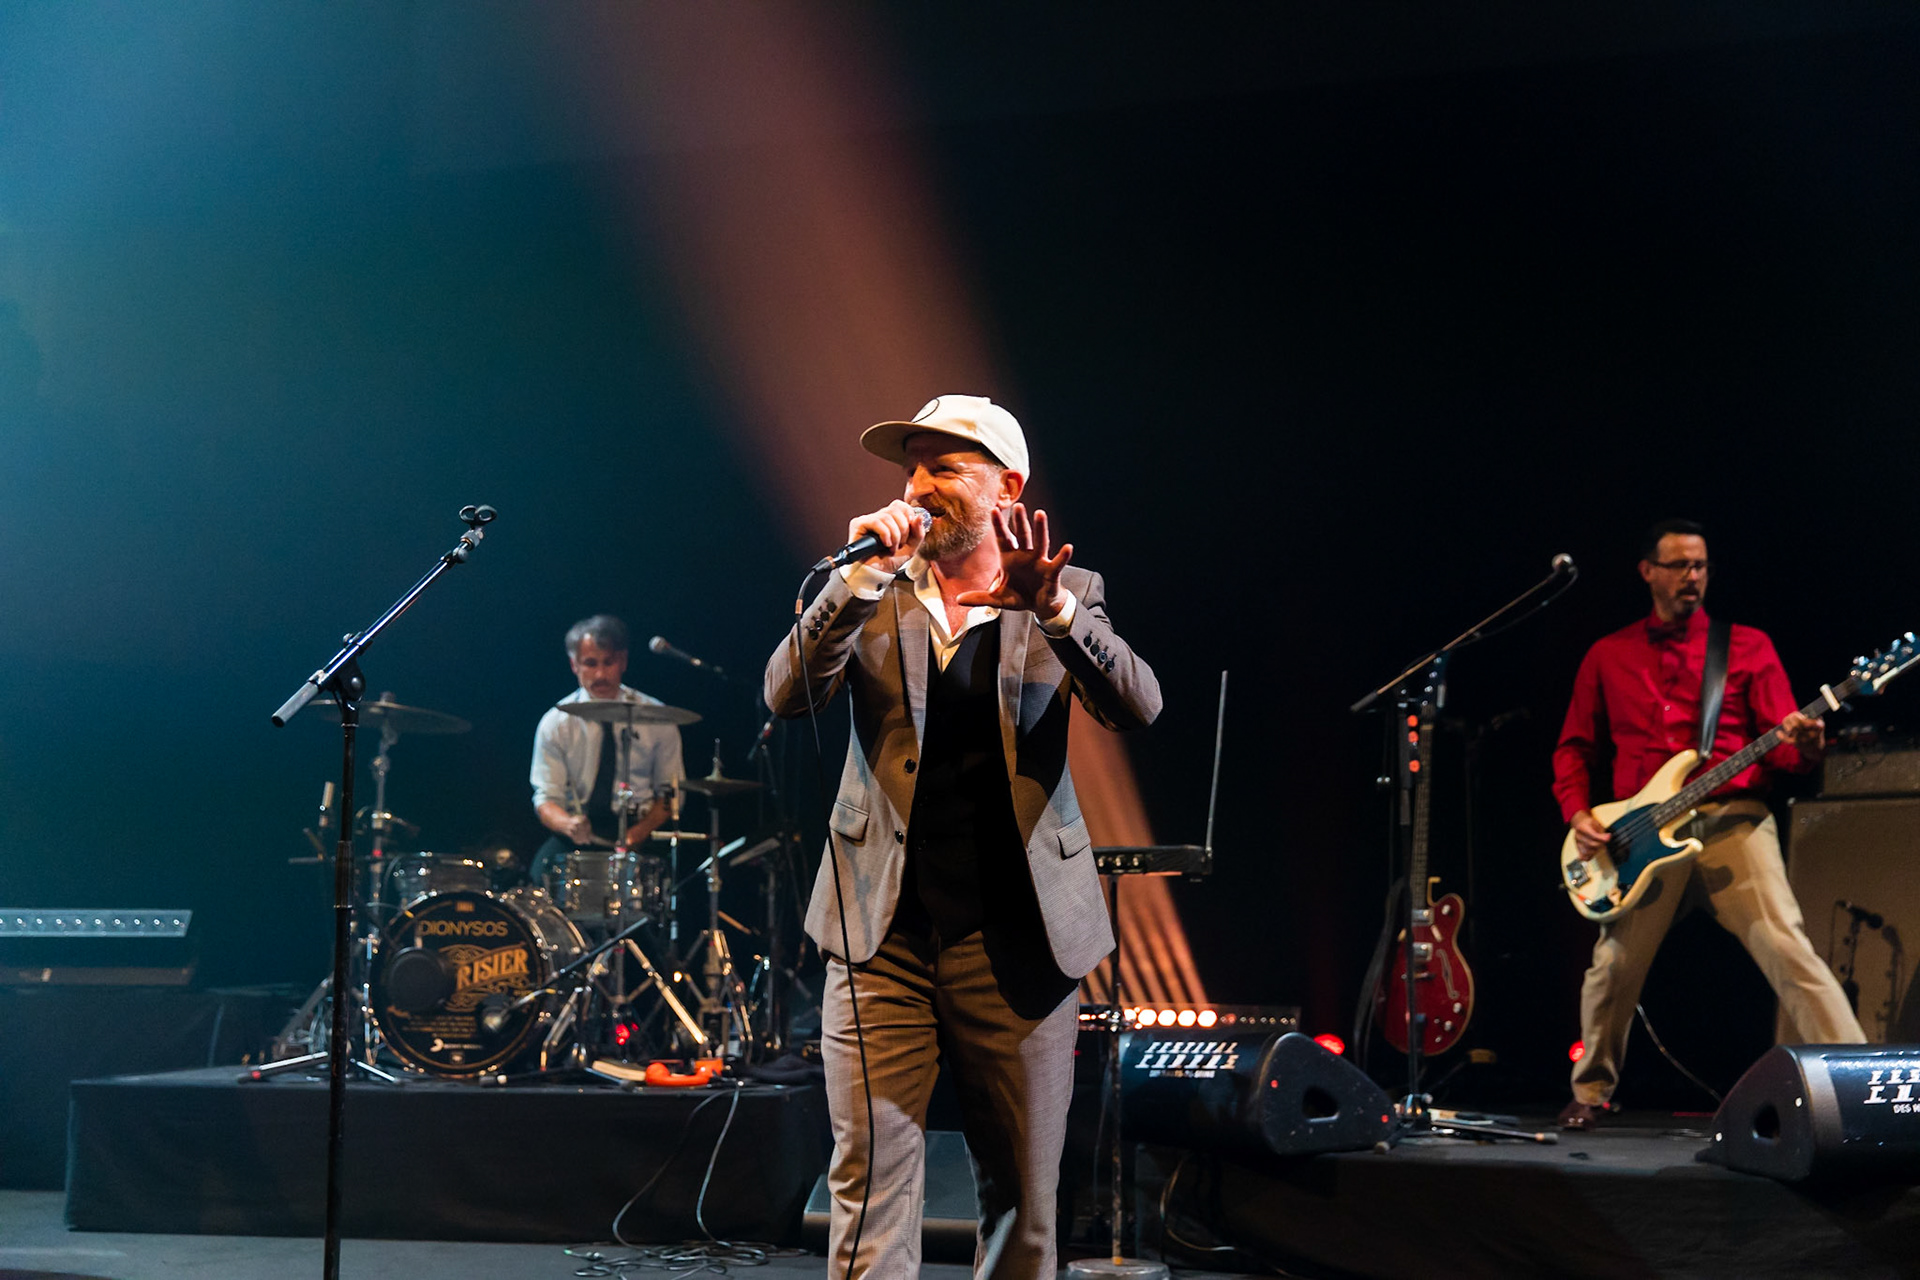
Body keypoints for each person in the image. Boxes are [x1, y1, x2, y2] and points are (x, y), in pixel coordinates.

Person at [764, 395, 1160, 1277]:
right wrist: (855, 581)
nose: (916, 487)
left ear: (1006, 488)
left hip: (1018, 940)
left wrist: (1052, 611)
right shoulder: (871, 587)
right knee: (868, 1189)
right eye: (911, 468)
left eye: (944, 468)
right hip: (880, 935)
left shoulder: (1068, 592)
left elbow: (1138, 706)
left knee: (1024, 1200)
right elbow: (786, 694)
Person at [1553, 518, 1864, 1130]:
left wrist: (1806, 745)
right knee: (1613, 967)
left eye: (1700, 566)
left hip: (1732, 821)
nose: (1692, 576)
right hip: (1637, 838)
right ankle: (1590, 1093)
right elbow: (1574, 749)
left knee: (1787, 946)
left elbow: (1783, 754)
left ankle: (1861, 1081)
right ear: (1648, 572)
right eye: (1678, 565)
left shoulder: (1747, 647)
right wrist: (1579, 814)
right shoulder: (1608, 655)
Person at [529, 615, 684, 885]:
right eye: (590, 664)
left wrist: (639, 832)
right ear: (574, 664)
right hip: (580, 831)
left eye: (608, 663)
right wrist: (568, 824)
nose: (600, 674)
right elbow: (546, 799)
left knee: (671, 885)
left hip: (639, 830)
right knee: (536, 879)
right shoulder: (555, 723)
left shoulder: (657, 717)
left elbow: (671, 794)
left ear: (623, 661)